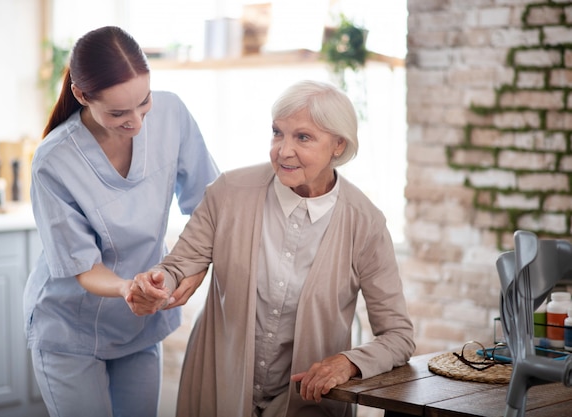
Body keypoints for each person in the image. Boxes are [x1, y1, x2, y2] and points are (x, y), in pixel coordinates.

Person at [133, 80, 415, 417]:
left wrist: (349, 362)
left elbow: (398, 336)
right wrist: (157, 282)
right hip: (218, 386)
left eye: (303, 137)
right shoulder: (228, 192)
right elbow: (180, 265)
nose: (283, 150)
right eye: (277, 133)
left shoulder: (365, 223)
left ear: (339, 145)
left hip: (308, 403)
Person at [22, 26, 219, 417]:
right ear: (81, 95)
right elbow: (82, 267)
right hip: (69, 329)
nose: (137, 123)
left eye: (143, 102)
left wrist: (189, 273)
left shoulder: (173, 114)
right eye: (118, 113)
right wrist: (130, 288)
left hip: (138, 326)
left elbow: (208, 207)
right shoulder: (54, 160)